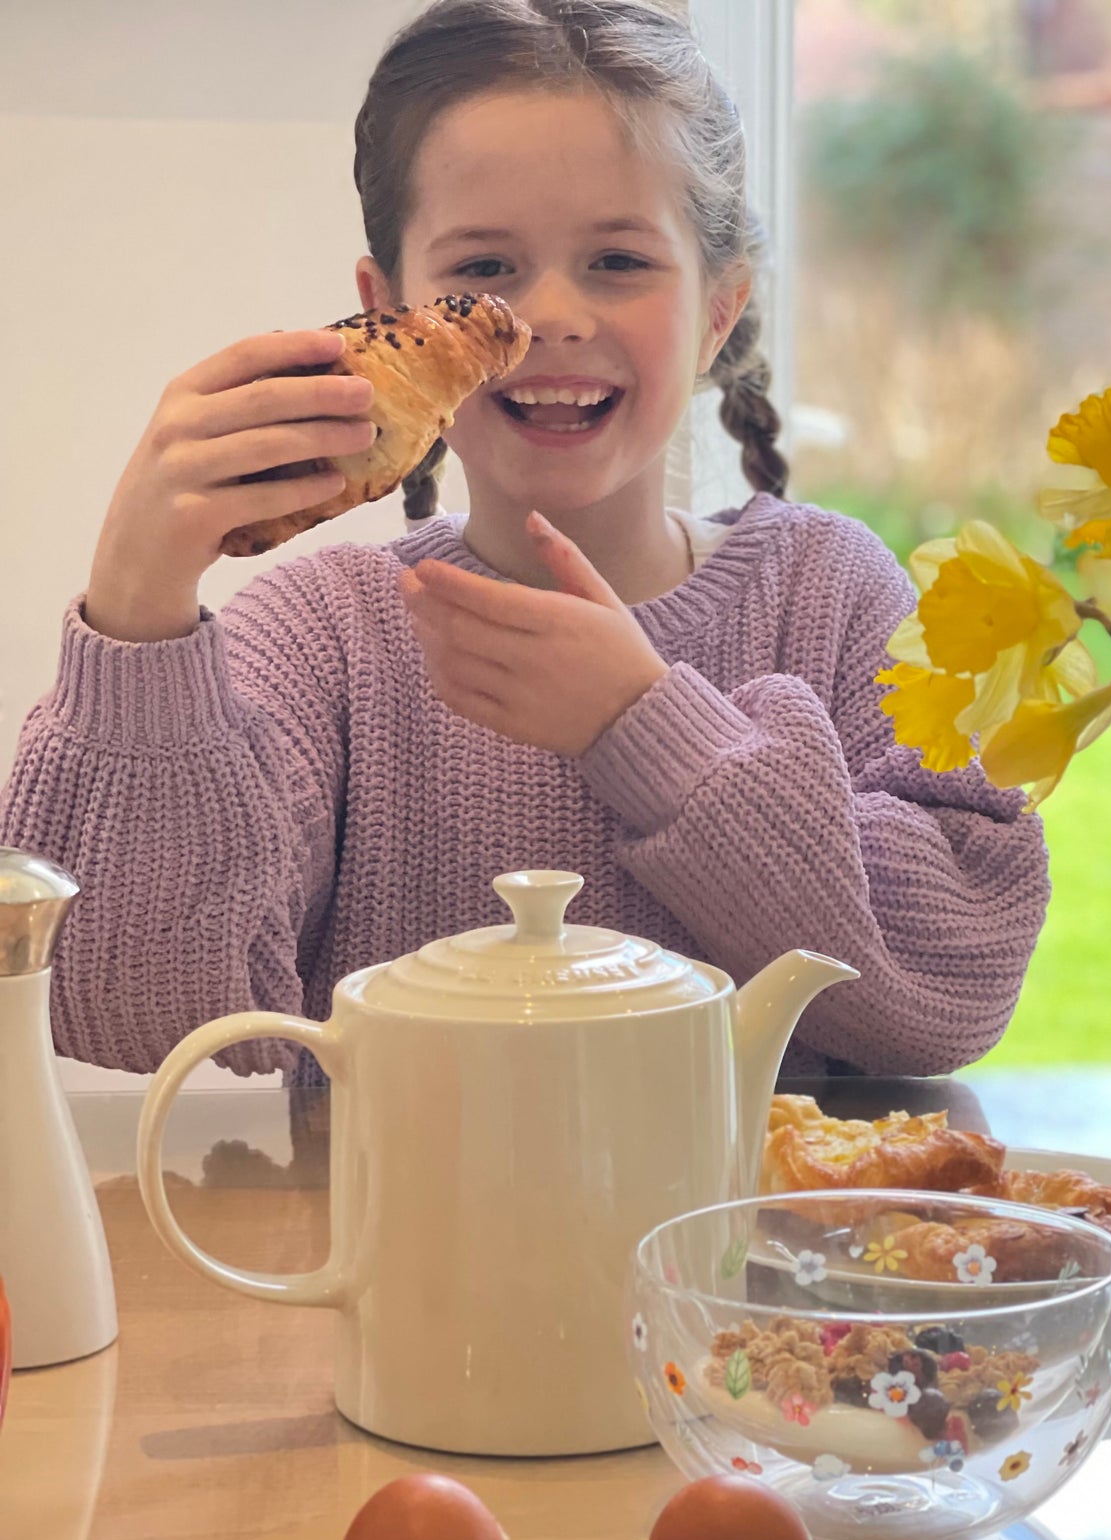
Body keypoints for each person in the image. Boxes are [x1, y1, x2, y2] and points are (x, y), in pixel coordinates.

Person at [0, 0, 1048, 1083]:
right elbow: (121, 1007)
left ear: (718, 311)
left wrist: (647, 728)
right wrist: (136, 601)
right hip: (399, 1254)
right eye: (487, 268)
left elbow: (951, 989)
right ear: (384, 308)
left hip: (747, 1255)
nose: (550, 314)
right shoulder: (325, 638)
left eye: (618, 261)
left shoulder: (831, 592)